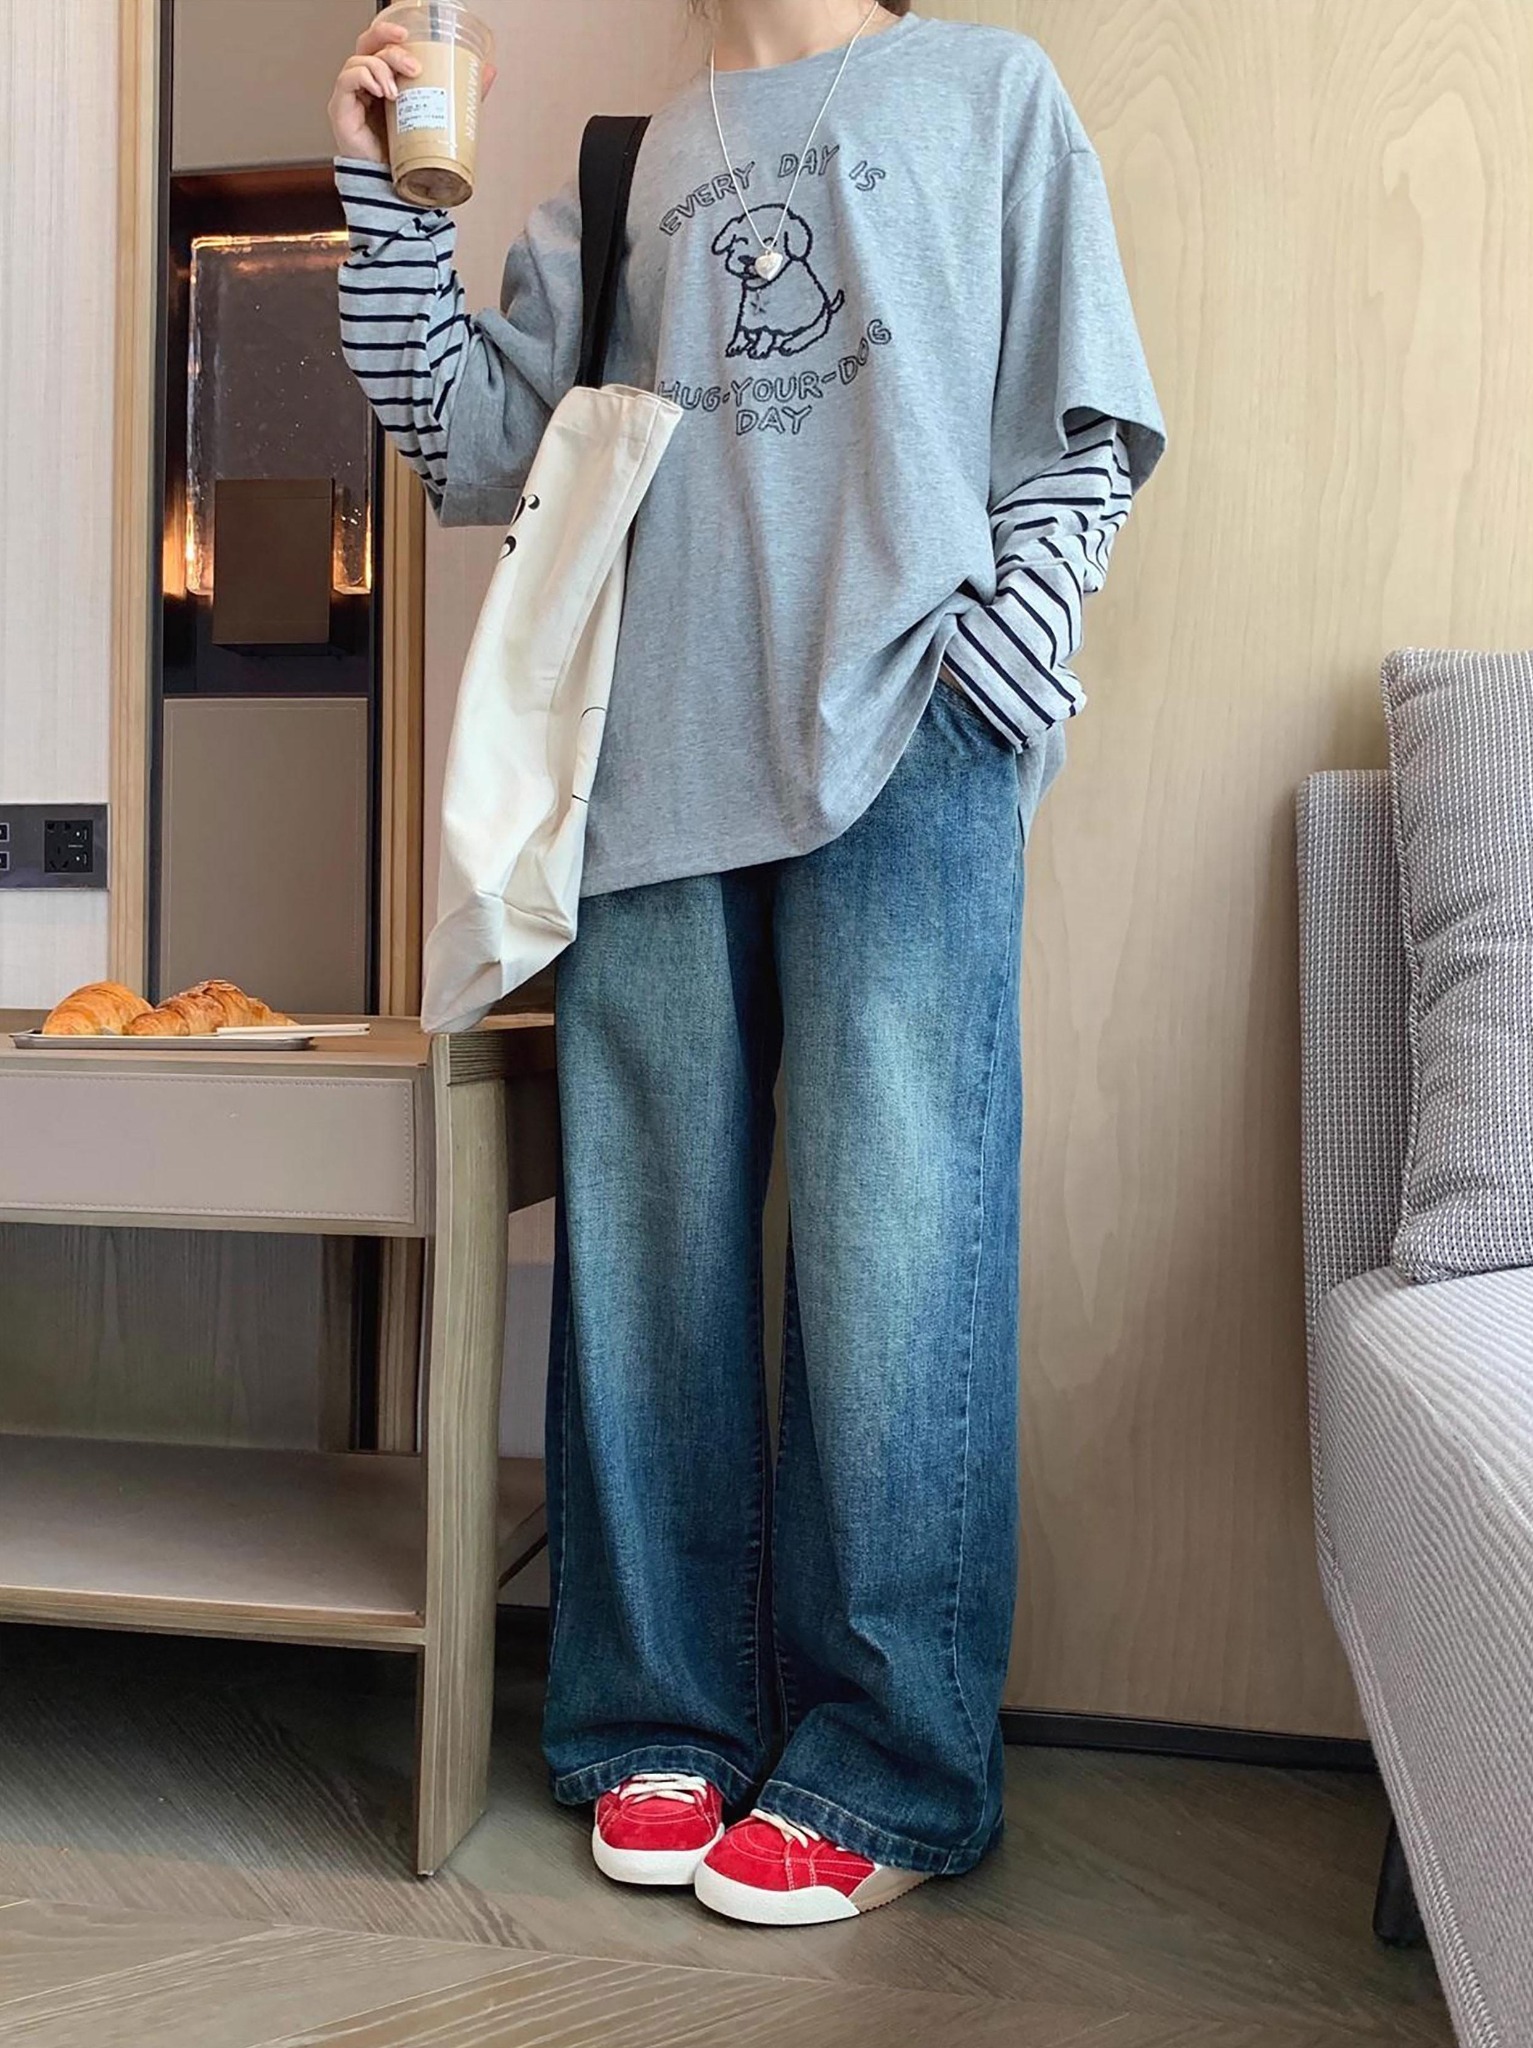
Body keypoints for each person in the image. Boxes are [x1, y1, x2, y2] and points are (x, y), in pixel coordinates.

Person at [329, 0, 1163, 1927]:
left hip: (911, 749)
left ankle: (890, 1764)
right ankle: (656, 1713)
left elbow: (1087, 418)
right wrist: (383, 201)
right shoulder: (624, 160)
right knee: (646, 1276)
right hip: (647, 776)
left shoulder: (984, 90)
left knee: (897, 1266)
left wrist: (997, 670)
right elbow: (474, 450)